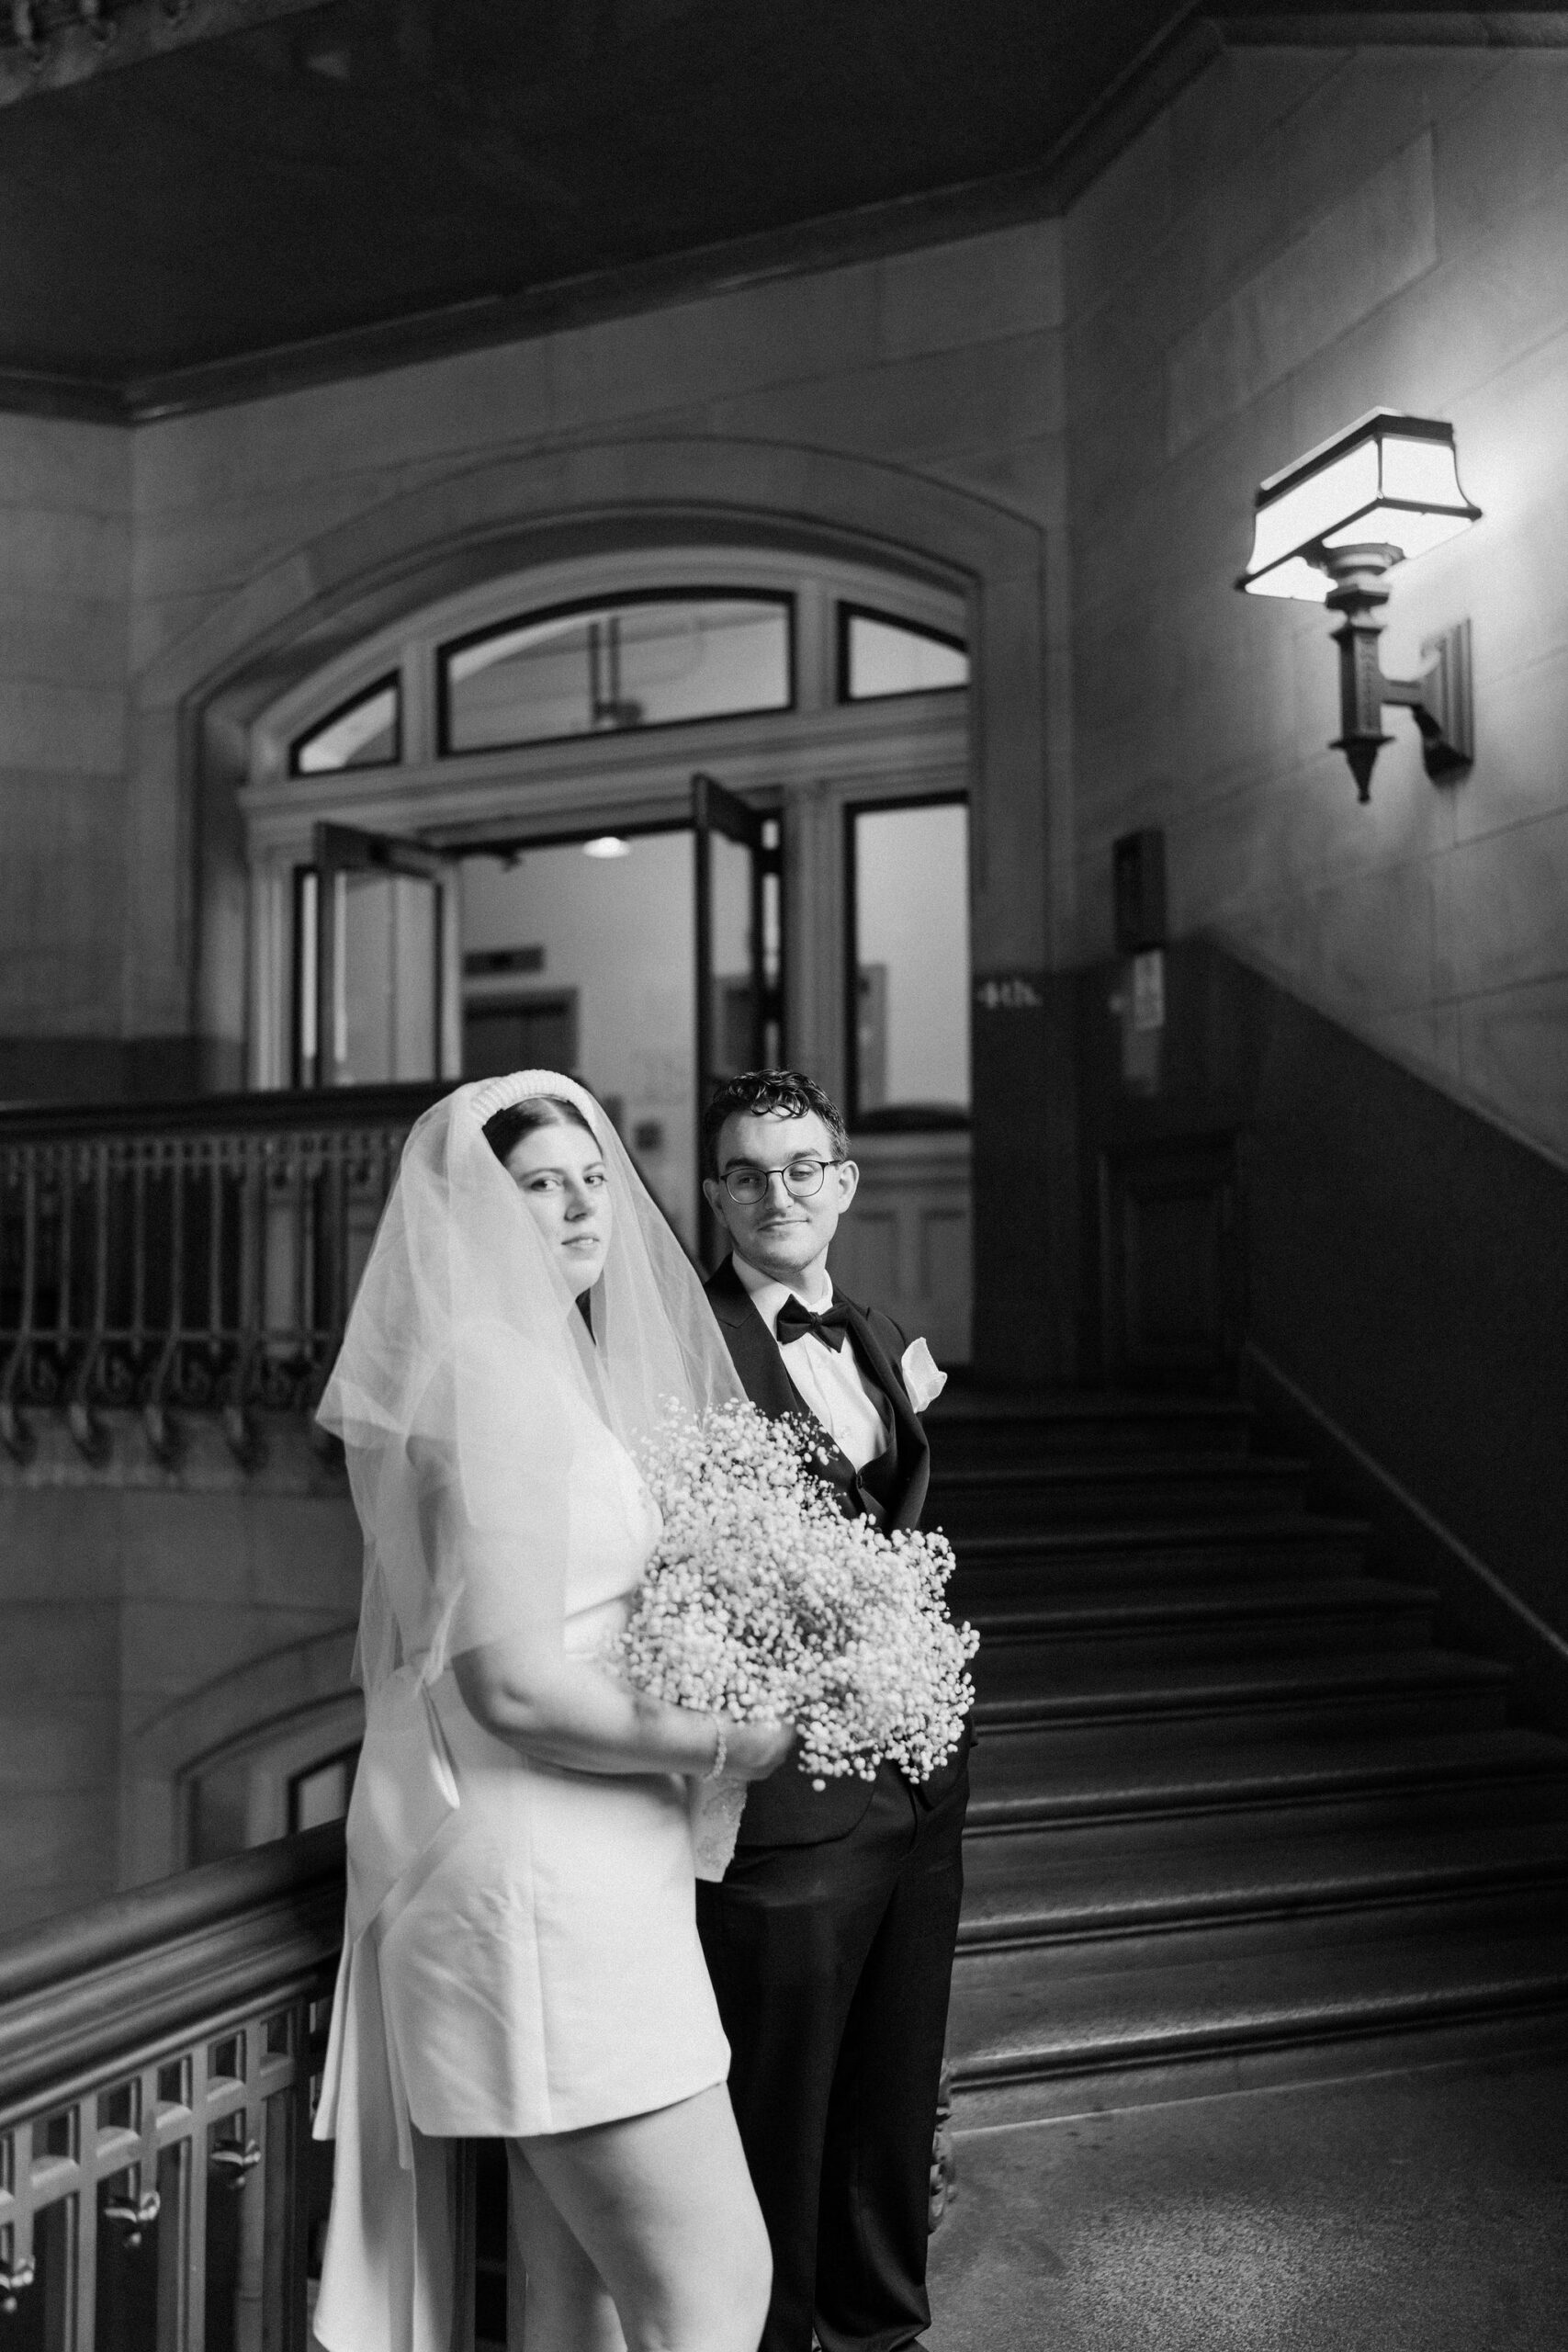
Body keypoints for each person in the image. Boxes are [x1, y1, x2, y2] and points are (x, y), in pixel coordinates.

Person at [311, 1070, 792, 2352]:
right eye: (539, 1185)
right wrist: (728, 1740)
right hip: (548, 1899)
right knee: (714, 2290)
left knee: (574, 2305)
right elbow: (511, 1682)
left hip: (580, 1884)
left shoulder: (521, 1368)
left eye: (593, 1175)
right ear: (475, 1216)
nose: (583, 1204)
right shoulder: (495, 1383)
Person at [695, 1068, 969, 2352]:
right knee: (778, 2121)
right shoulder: (685, 1347)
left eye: (801, 1166)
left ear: (845, 1183)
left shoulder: (870, 1328)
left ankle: (883, 2331)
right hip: (790, 1806)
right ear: (716, 1194)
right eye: (747, 1172)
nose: (776, 1193)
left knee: (889, 2098)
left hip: (919, 1787)